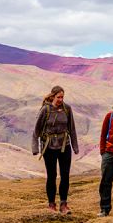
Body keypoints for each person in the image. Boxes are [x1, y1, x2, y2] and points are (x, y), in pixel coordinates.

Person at [32, 85, 78, 214]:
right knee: (51, 176)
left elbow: (72, 128)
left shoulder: (67, 109)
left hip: (64, 146)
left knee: (65, 176)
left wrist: (75, 146)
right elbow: (36, 131)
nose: (61, 99)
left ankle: (64, 204)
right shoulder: (45, 110)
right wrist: (35, 148)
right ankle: (51, 205)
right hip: (49, 147)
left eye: (62, 97)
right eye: (58, 97)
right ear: (53, 96)